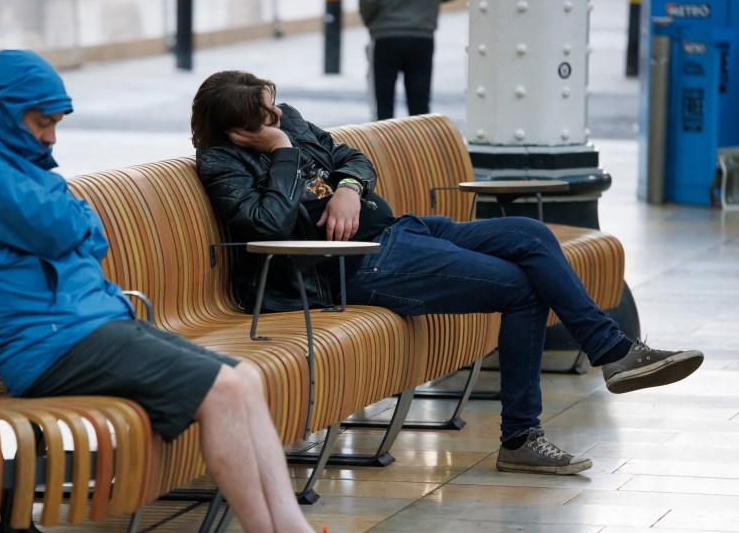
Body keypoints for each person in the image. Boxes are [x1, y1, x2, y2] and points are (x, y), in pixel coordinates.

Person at [0, 50, 400, 533]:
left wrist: (71, 217)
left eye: (55, 124)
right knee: (221, 390)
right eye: (42, 122)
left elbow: (86, 230)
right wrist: (71, 216)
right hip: (52, 345)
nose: (51, 138)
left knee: (242, 379)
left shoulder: (4, 154)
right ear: (5, 110)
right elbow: (65, 228)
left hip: (88, 326)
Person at [192, 70, 705, 476]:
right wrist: (281, 153)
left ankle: (609, 353)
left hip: (401, 230)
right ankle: (529, 432)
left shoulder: (289, 120)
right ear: (241, 130)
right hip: (359, 267)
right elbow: (269, 223)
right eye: (266, 115)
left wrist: (348, 185)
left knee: (531, 234)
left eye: (275, 104)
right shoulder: (222, 163)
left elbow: (353, 157)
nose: (279, 114)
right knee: (526, 290)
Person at [357, 0, 459, 119]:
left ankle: (384, 140)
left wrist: (371, 20)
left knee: (382, 109)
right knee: (420, 110)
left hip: (386, 34)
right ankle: (420, 139)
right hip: (422, 34)